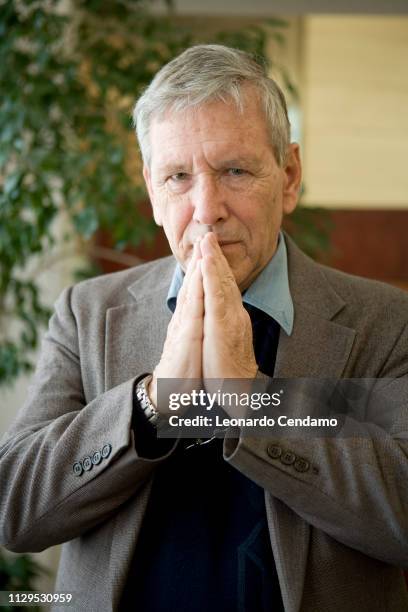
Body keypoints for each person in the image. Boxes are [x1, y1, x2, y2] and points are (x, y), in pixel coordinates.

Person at [0, 44, 407, 612]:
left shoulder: (387, 322)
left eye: (235, 171)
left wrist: (253, 400)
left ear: (288, 177)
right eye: (177, 177)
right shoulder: (86, 312)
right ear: (151, 191)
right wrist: (149, 406)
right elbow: (14, 510)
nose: (206, 208)